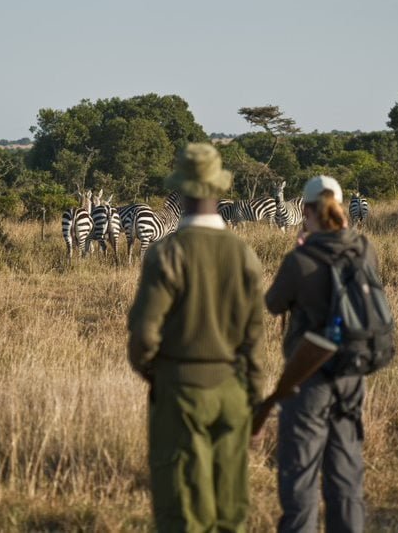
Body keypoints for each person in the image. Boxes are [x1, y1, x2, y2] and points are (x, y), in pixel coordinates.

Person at [127, 143, 266, 532]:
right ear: (219, 188)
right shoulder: (243, 253)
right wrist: (255, 401)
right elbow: (255, 339)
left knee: (183, 510)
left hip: (180, 390)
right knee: (229, 510)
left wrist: (156, 375)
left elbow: (143, 335)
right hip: (233, 392)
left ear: (180, 189)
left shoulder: (166, 253)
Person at [265, 176, 378, 533]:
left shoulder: (301, 259)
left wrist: (300, 249)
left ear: (306, 210)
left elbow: (273, 304)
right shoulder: (363, 248)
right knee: (345, 473)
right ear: (341, 206)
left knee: (300, 475)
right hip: (351, 376)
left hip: (307, 378)